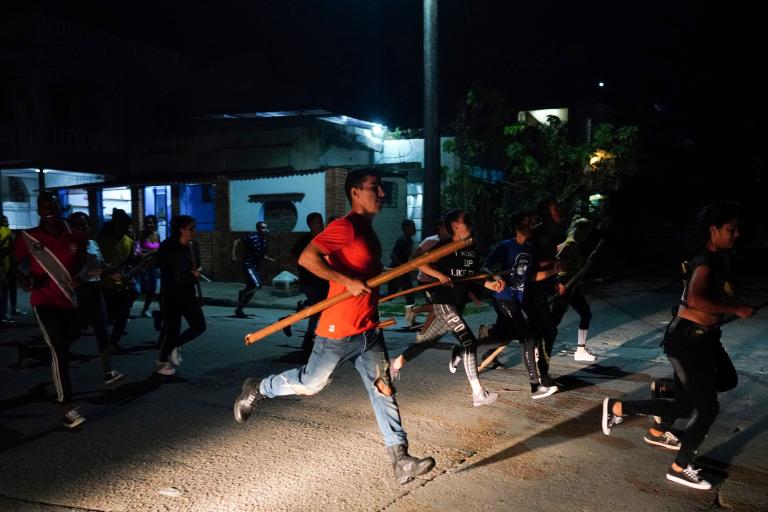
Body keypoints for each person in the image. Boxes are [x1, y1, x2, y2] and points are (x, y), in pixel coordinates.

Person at [233, 168, 435, 484]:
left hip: (368, 330)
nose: (381, 193)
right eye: (375, 188)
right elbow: (308, 258)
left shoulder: (368, 231)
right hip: (338, 330)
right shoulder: (345, 227)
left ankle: (401, 459)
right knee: (311, 384)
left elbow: (365, 269)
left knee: (383, 390)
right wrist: (344, 280)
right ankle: (259, 387)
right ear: (355, 192)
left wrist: (387, 273)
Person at [601, 201, 753, 490]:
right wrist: (735, 309)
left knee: (721, 383)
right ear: (713, 230)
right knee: (705, 409)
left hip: (705, 339)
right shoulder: (705, 262)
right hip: (686, 341)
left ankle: (626, 408)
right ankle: (679, 467)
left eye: (738, 229)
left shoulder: (721, 259)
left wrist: (732, 306)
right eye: (731, 230)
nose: (736, 234)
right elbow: (695, 300)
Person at [388, 209, 504, 407]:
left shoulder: (470, 246)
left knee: (426, 341)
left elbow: (471, 275)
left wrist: (490, 284)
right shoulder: (444, 246)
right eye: (466, 220)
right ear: (455, 226)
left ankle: (396, 363)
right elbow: (420, 264)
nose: (470, 223)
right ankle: (478, 393)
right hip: (443, 302)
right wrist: (440, 276)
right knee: (468, 341)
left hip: (456, 304)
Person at [14, 192, 87, 428]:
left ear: (59, 206)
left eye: (51, 204)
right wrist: (24, 279)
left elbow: (86, 263)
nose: (48, 209)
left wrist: (81, 276)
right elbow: (10, 262)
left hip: (69, 300)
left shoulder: (76, 235)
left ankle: (32, 353)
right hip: (43, 302)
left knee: (67, 342)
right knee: (60, 351)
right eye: (42, 206)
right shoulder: (29, 237)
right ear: (37, 210)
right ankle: (67, 407)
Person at [482, 212, 561, 399]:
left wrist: (552, 271)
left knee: (500, 337)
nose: (530, 226)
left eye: (530, 222)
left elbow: (531, 277)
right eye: (526, 223)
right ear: (517, 227)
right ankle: (535, 386)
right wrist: (496, 276)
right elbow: (485, 267)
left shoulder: (530, 249)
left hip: (518, 299)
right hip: (503, 297)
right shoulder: (505, 246)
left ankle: (463, 350)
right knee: (528, 337)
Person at [69, 212, 125, 385]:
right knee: (72, 334)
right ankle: (39, 354)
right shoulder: (70, 246)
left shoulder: (93, 243)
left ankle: (108, 371)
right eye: (78, 225)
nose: (83, 228)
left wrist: (113, 273)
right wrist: (103, 272)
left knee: (102, 331)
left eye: (85, 224)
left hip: (95, 291)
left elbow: (100, 265)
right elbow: (76, 275)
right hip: (79, 293)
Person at [154, 215, 207, 376]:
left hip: (188, 292)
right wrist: (188, 273)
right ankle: (161, 363)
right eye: (191, 228)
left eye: (194, 228)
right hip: (171, 292)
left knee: (199, 326)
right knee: (172, 329)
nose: (194, 231)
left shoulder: (193, 246)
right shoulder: (167, 246)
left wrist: (198, 271)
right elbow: (166, 269)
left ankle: (175, 345)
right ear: (181, 229)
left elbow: (197, 266)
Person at [551, 217, 597, 362]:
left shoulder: (573, 244)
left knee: (585, 313)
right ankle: (536, 349)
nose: (587, 235)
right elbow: (554, 264)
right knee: (554, 320)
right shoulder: (571, 244)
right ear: (580, 231)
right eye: (587, 231)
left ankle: (580, 350)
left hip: (572, 284)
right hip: (563, 284)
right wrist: (557, 284)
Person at [290, 212, 330, 356]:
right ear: (311, 225)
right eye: (318, 222)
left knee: (322, 306)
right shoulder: (305, 240)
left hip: (323, 280)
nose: (321, 225)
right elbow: (295, 256)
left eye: (322, 222)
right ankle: (309, 337)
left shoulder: (325, 239)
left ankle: (302, 309)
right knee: (318, 307)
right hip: (309, 280)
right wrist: (306, 266)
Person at [97, 208, 137, 352]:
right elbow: (95, 260)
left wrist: (129, 274)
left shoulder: (129, 241)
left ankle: (113, 343)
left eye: (125, 225)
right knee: (105, 316)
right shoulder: (102, 239)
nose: (123, 228)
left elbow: (131, 261)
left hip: (122, 284)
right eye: (121, 225)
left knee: (123, 315)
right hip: (104, 284)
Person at [402, 219, 449, 328]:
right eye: (445, 227)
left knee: (438, 305)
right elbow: (415, 257)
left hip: (439, 279)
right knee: (437, 305)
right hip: (426, 279)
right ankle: (414, 311)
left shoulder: (449, 241)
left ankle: (427, 329)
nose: (448, 230)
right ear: (440, 228)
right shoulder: (430, 241)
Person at [232, 221, 275, 318]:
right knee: (257, 284)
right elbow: (236, 241)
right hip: (248, 265)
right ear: (258, 229)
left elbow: (262, 255)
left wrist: (269, 259)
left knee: (252, 290)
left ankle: (239, 310)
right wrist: (233, 255)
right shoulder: (251, 237)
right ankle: (242, 293)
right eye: (263, 228)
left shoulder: (264, 242)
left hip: (255, 267)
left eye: (266, 228)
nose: (265, 230)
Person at [387, 219, 417, 307]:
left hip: (401, 269)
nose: (414, 229)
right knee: (406, 293)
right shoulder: (403, 240)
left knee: (408, 294)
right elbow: (393, 255)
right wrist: (401, 267)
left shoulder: (408, 240)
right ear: (406, 228)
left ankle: (411, 314)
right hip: (398, 270)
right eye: (412, 227)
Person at [138, 215, 161, 318]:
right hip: (143, 265)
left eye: (151, 222)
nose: (148, 224)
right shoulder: (142, 234)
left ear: (155, 224)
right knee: (139, 290)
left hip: (154, 265)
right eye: (147, 222)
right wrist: (151, 252)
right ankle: (125, 308)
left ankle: (145, 309)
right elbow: (137, 250)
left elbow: (159, 249)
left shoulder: (157, 235)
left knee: (152, 288)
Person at [0, 214, 12, 324]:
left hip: (5, 258)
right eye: (4, 220)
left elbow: (11, 246)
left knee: (4, 288)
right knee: (4, 286)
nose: (6, 222)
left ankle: (4, 313)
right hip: (2, 257)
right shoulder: (6, 231)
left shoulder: (7, 230)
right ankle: (2, 314)